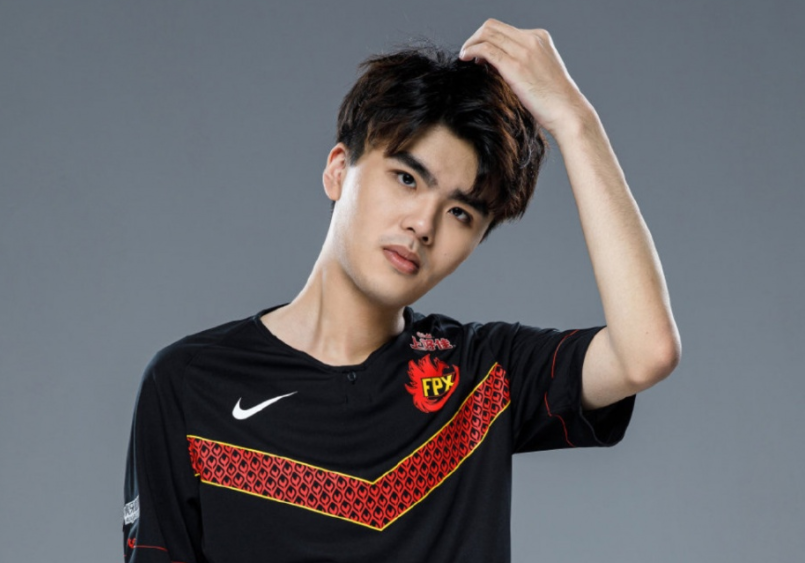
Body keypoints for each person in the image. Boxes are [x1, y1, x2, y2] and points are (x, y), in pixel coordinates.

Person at [122, 18, 680, 563]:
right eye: (407, 179)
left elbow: (646, 352)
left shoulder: (482, 376)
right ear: (338, 170)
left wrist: (576, 122)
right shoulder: (189, 383)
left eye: (460, 212)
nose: (423, 224)